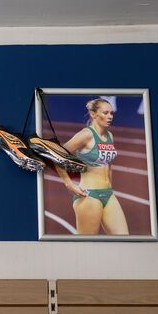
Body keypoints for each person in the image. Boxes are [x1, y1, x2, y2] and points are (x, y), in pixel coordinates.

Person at [56, 98, 129, 235]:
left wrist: (110, 186)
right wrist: (69, 184)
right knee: (86, 244)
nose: (110, 116)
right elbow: (57, 156)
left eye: (111, 113)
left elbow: (109, 165)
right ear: (93, 114)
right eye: (105, 113)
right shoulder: (86, 135)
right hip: (89, 196)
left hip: (108, 194)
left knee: (124, 240)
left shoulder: (110, 135)